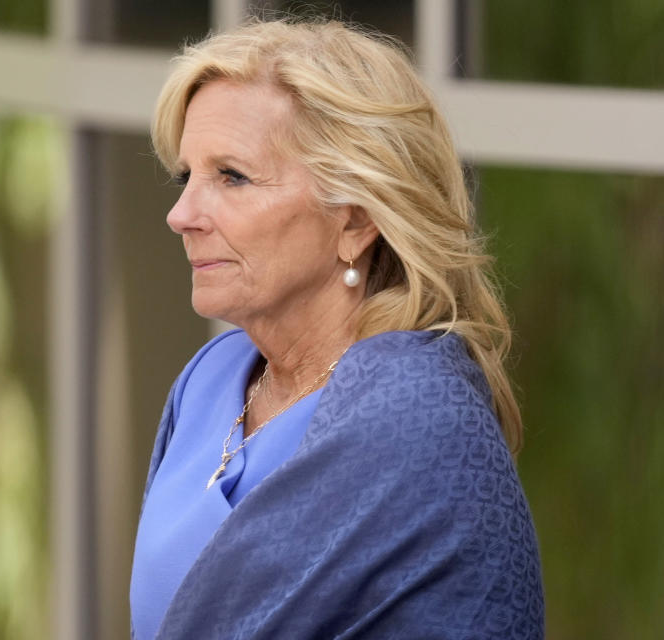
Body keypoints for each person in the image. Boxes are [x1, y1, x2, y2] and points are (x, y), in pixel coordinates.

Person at [130, 18, 544, 640]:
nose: (180, 214)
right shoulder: (209, 379)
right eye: (186, 176)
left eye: (232, 177)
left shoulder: (420, 417)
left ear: (354, 220)